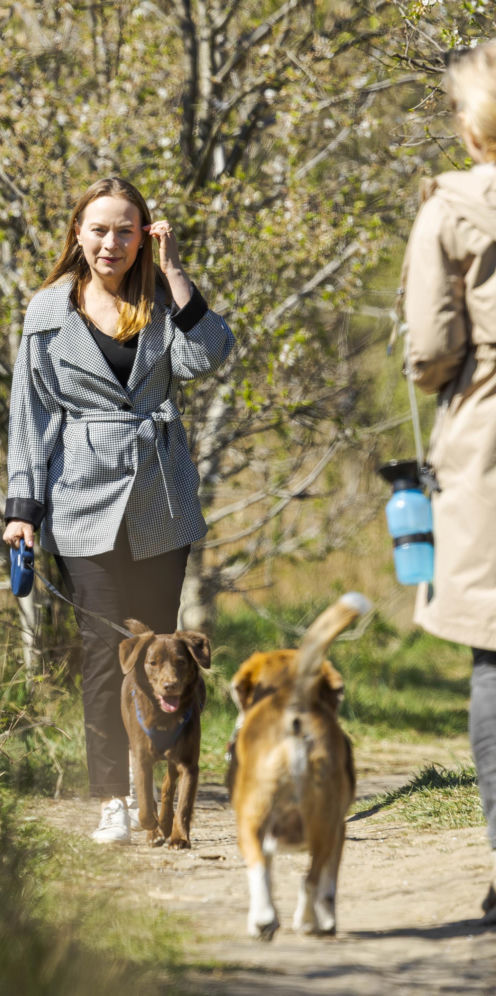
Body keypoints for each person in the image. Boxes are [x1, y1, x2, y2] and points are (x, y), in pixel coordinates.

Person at [2, 176, 234, 843]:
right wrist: (23, 507)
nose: (112, 243)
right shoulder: (48, 312)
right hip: (81, 499)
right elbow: (30, 414)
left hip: (160, 497)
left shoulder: (161, 300)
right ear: (78, 233)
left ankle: (157, 793)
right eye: (99, 229)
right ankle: (112, 797)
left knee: (161, 654)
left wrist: (175, 272)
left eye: (126, 231)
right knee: (105, 653)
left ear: (143, 237)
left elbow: (208, 354)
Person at [402, 39, 496, 922]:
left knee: (495, 655)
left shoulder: (454, 208)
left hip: (489, 442)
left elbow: (431, 350)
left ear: (474, 124)